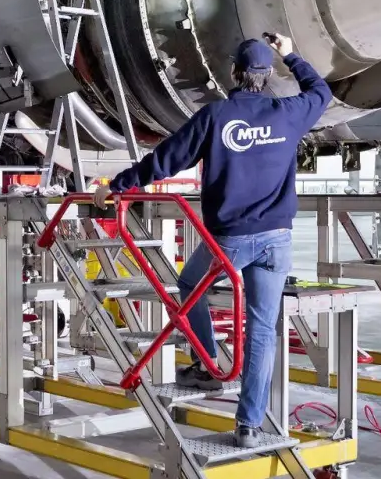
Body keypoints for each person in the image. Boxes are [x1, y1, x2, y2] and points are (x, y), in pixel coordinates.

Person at [94, 33, 330, 446]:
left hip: (229, 239)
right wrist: (291, 51)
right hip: (277, 239)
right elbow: (321, 91)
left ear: (235, 74)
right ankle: (249, 426)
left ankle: (207, 361)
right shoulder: (289, 112)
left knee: (189, 284)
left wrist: (117, 185)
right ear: (268, 75)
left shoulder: (216, 116)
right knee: (260, 329)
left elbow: (164, 161)